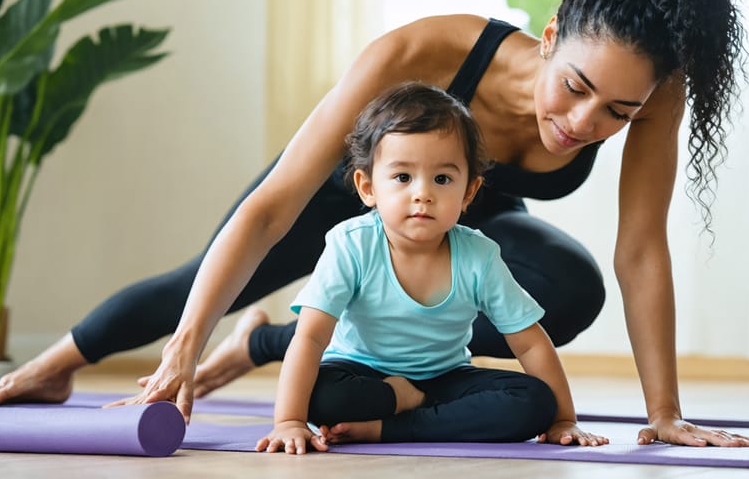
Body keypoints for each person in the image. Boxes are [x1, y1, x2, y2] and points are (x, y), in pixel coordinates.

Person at [0, 0, 749, 448]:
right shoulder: (425, 50)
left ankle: (287, 342)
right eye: (575, 88)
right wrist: (183, 352)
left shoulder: (651, 90)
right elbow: (270, 208)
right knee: (201, 281)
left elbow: (639, 248)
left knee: (572, 285)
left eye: (616, 115)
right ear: (555, 32)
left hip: (462, 216)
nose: (583, 126)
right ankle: (54, 367)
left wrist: (663, 412)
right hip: (339, 201)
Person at [255, 82, 602, 454]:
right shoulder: (352, 244)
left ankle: (391, 428)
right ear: (368, 187)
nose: (423, 193)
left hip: (444, 379)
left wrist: (564, 419)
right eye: (403, 177)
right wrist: (289, 421)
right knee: (322, 397)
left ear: (468, 192)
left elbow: (531, 343)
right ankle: (397, 405)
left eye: (442, 179)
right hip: (360, 375)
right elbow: (310, 337)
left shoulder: (478, 255)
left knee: (533, 401)